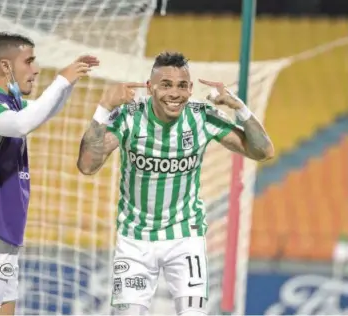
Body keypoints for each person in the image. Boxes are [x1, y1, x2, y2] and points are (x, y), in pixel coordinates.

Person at [76, 51, 274, 316]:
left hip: (185, 236)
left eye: (182, 86)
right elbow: (88, 165)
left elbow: (263, 151)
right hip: (135, 239)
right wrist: (104, 108)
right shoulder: (129, 116)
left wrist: (240, 108)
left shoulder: (202, 116)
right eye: (166, 85)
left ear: (191, 89)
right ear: (150, 88)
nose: (175, 93)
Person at [0, 32, 99, 315]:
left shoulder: (8, 103)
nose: (36, 69)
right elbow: (22, 125)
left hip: (3, 230)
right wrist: (62, 80)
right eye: (29, 61)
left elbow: (43, 112)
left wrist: (68, 84)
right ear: (6, 66)